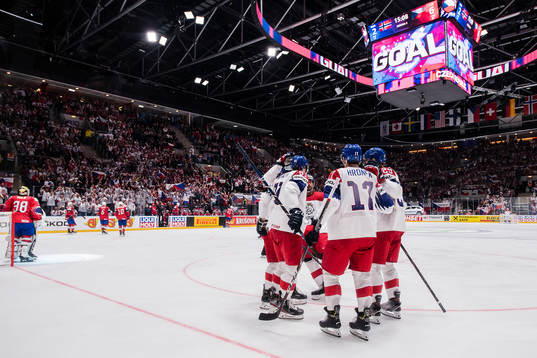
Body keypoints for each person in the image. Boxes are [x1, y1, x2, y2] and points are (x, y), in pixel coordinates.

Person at [307, 144, 394, 340]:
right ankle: (363, 321)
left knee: (330, 276)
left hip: (343, 234)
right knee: (363, 277)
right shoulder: (372, 177)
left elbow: (332, 201)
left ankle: (332, 318)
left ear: (344, 159)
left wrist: (316, 226)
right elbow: (388, 207)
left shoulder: (338, 174)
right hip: (368, 234)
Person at [364, 147, 405, 322]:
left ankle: (374, 306)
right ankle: (394, 301)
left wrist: (379, 180)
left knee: (374, 267)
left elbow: (390, 198)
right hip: (398, 226)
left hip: (383, 227)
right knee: (389, 266)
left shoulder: (376, 173)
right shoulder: (391, 171)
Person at [267, 154, 309, 319]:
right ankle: (285, 303)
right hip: (288, 229)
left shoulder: (281, 176)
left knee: (283, 266)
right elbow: (291, 190)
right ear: (304, 167)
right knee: (291, 269)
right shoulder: (299, 175)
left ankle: (277, 297)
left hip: (275, 227)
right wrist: (295, 211)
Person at [257, 152, 294, 309]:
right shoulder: (284, 182)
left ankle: (269, 292)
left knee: (276, 264)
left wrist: (262, 221)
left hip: (270, 226)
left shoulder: (274, 182)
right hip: (277, 227)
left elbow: (263, 197)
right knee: (282, 265)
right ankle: (276, 293)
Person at [303, 174, 327, 300]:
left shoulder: (321, 196)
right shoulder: (297, 197)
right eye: (306, 182)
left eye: (310, 182)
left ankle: (330, 284)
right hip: (303, 234)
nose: (308, 184)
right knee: (307, 259)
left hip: (321, 232)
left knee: (326, 259)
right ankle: (322, 284)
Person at [3, 186, 43, 262]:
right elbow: (35, 211)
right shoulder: (32, 199)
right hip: (27, 221)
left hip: (14, 221)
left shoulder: (12, 198)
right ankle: (24, 255)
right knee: (27, 239)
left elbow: (5, 208)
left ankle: (13, 255)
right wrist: (38, 217)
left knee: (15, 238)